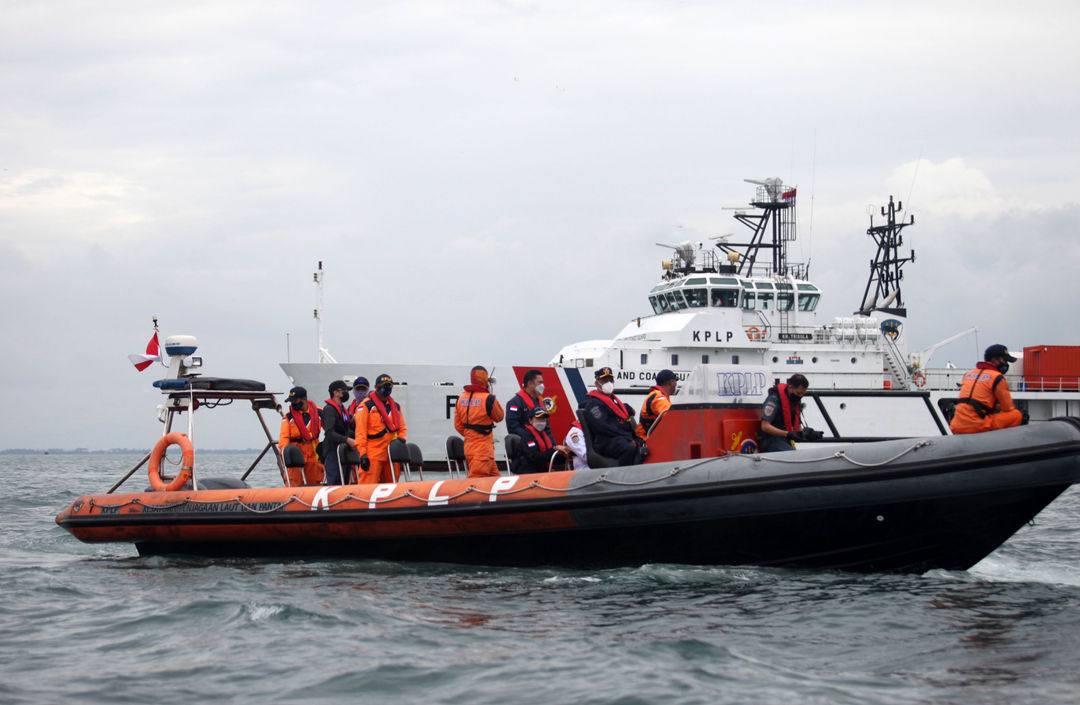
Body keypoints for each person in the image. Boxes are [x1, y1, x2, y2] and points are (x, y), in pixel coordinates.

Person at [950, 344, 1025, 434]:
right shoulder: (997, 377)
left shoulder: (968, 374)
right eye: (1004, 360)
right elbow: (1008, 408)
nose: (1006, 364)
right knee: (1015, 415)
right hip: (977, 425)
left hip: (956, 426)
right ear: (994, 360)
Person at [579, 367, 646, 466]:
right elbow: (602, 426)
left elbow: (620, 409)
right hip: (606, 441)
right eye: (605, 381)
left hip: (620, 438)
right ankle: (623, 475)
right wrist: (627, 437)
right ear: (597, 383)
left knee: (644, 443)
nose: (608, 383)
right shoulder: (592, 404)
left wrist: (629, 409)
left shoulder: (613, 401)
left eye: (610, 380)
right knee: (628, 448)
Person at [354, 373, 408, 484]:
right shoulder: (366, 406)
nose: (386, 389)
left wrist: (401, 441)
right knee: (368, 483)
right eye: (384, 386)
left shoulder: (395, 407)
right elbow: (360, 433)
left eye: (389, 386)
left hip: (390, 452)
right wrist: (363, 454)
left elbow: (402, 428)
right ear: (376, 387)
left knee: (392, 482)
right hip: (373, 452)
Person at [454, 366, 505, 478]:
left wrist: (471, 435)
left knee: (496, 481)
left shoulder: (461, 398)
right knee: (477, 482)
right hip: (483, 451)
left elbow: (458, 425)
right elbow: (499, 417)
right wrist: (493, 398)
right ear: (485, 379)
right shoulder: (488, 398)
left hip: (470, 448)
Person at [758, 373, 822, 452]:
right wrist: (787, 434)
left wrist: (809, 434)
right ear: (790, 387)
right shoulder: (774, 399)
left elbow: (797, 426)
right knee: (795, 457)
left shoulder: (793, 401)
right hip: (771, 440)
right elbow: (765, 426)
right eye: (798, 393)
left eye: (803, 394)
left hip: (785, 440)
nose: (800, 396)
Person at [278, 386, 324, 486]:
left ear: (304, 399)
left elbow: (330, 430)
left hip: (314, 457)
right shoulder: (288, 417)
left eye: (295, 401)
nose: (292, 404)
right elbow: (283, 438)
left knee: (315, 484)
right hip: (296, 458)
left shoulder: (319, 413)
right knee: (293, 483)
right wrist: (285, 455)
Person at [320, 380, 356, 484]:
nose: (346, 393)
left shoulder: (343, 410)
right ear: (336, 393)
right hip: (333, 452)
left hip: (343, 452)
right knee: (335, 482)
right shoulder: (329, 410)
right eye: (344, 391)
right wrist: (348, 440)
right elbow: (329, 433)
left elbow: (349, 423)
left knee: (345, 481)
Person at [516, 407, 569, 473]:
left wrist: (564, 454)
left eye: (543, 419)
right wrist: (556, 449)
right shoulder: (527, 436)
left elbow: (551, 457)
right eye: (538, 419)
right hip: (529, 472)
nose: (541, 421)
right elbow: (535, 457)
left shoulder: (545, 435)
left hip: (544, 470)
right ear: (530, 421)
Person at [636, 369, 677, 439]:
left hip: (654, 437)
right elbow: (670, 415)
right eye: (675, 381)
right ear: (671, 382)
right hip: (648, 439)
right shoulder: (658, 397)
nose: (676, 384)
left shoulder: (657, 395)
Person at [506, 369, 546, 438]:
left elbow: (547, 428)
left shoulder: (540, 402)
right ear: (530, 383)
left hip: (539, 442)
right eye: (540, 383)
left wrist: (553, 446)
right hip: (525, 443)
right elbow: (513, 427)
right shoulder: (515, 402)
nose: (542, 385)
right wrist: (530, 437)